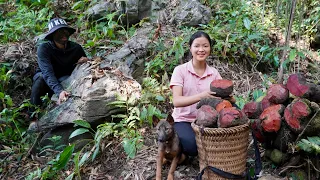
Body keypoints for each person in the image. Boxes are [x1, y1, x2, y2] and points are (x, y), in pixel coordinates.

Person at [169, 31, 223, 157]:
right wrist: (201, 96)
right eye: (197, 46)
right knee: (193, 148)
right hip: (183, 120)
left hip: (207, 121)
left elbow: (220, 97)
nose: (201, 49)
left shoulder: (214, 73)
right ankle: (178, 146)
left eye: (205, 46)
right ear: (190, 48)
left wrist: (231, 99)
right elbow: (176, 101)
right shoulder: (180, 71)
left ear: (210, 48)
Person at [30, 17, 88, 113]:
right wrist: (59, 91)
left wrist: (84, 62)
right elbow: (47, 72)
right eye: (59, 32)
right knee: (39, 80)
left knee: (66, 80)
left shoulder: (76, 48)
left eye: (65, 30)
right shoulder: (44, 49)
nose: (63, 34)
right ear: (52, 35)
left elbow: (85, 67)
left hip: (64, 79)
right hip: (46, 80)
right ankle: (33, 117)